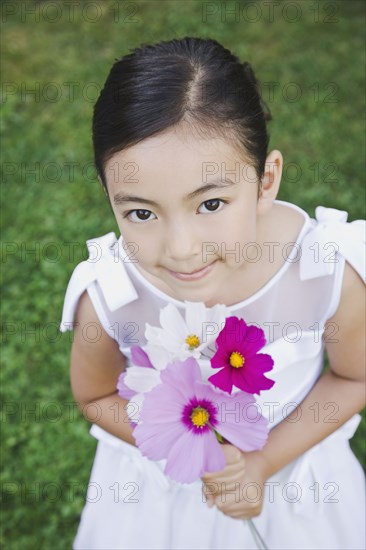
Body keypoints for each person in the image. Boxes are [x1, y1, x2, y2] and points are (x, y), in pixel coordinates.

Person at [59, 37, 365, 550]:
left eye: (211, 203)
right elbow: (95, 395)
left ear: (266, 180)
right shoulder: (112, 294)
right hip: (162, 496)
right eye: (140, 213)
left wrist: (263, 462)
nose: (180, 250)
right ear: (108, 196)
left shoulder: (324, 272)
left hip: (292, 484)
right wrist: (187, 448)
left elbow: (355, 376)